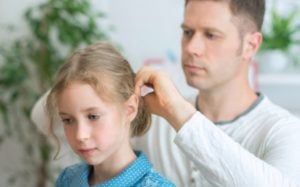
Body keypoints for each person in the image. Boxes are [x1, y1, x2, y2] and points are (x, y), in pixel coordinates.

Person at [31, 0, 300, 186]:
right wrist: (112, 80)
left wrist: (180, 112)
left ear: (250, 45)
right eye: (187, 31)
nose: (192, 47)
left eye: (211, 35)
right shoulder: (154, 110)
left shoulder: (283, 131)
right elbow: (42, 118)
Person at [45, 42, 174, 187]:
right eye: (68, 120)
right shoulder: (68, 179)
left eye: (93, 116)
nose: (80, 135)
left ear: (129, 109)